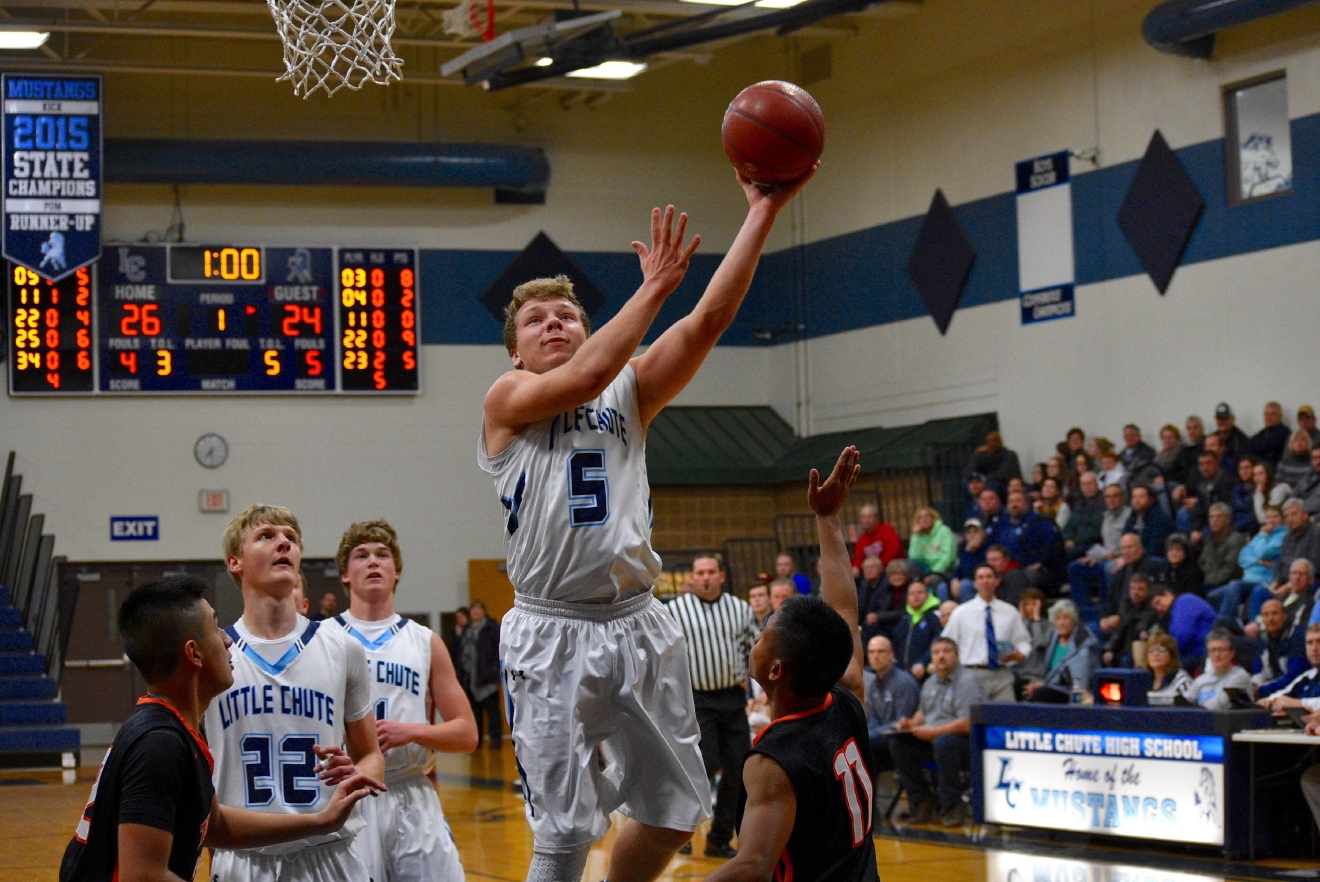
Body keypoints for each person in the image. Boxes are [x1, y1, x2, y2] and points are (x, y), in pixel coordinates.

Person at [480, 174, 813, 882]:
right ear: (515, 351)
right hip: (551, 632)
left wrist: (761, 213)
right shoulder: (509, 398)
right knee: (566, 833)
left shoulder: (629, 389)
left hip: (636, 622)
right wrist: (655, 287)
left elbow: (711, 320)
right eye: (536, 320)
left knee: (672, 812)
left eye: (565, 316)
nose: (553, 325)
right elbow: (585, 374)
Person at [59, 576, 383, 882]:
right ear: (193, 653)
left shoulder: (175, 730)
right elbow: (142, 876)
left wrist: (320, 821)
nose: (228, 639)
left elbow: (216, 824)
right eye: (215, 628)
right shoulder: (160, 746)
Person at [709, 446, 878, 882]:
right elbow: (842, 608)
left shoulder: (774, 761)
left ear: (777, 670)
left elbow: (753, 865)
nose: (758, 636)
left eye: (765, 634)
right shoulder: (846, 697)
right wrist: (827, 518)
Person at [204, 505, 387, 882]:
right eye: (267, 536)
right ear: (234, 562)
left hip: (329, 854)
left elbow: (370, 754)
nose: (284, 542)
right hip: (245, 859)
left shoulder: (344, 648)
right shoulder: (213, 655)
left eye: (291, 537)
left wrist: (358, 773)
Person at [333, 520, 478, 882]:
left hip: (411, 792)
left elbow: (466, 733)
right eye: (361, 555)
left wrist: (411, 731)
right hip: (350, 795)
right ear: (345, 574)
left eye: (383, 555)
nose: (373, 562)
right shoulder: (325, 638)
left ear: (396, 572)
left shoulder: (424, 641)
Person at [667, 554, 758, 859]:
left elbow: (752, 650)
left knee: (738, 769)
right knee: (703, 765)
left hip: (732, 697)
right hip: (697, 700)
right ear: (691, 578)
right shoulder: (675, 611)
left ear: (721, 575)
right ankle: (683, 832)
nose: (705, 577)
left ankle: (719, 839)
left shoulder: (741, 609)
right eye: (699, 573)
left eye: (711, 572)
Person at [889, 638, 986, 826]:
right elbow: (923, 713)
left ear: (956, 656)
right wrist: (910, 723)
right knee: (898, 744)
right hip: (934, 739)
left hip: (965, 743)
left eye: (946, 651)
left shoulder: (967, 681)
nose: (941, 656)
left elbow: (967, 723)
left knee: (944, 743)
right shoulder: (930, 682)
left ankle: (953, 803)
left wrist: (933, 732)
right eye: (936, 652)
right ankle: (922, 799)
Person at [940, 563, 1031, 701]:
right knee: (972, 720)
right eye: (981, 577)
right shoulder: (961, 612)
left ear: (997, 581)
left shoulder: (1010, 611)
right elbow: (947, 642)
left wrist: (1020, 654)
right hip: (971, 674)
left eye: (989, 577)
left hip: (1002, 675)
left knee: (1005, 720)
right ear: (975, 583)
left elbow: (1023, 641)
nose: (985, 581)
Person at [1207, 505, 1285, 620]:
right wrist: (1259, 560)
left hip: (1265, 581)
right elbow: (1243, 557)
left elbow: (1264, 552)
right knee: (1212, 596)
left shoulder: (1282, 536)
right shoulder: (1260, 535)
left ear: (1282, 519)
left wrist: (1263, 537)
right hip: (1248, 579)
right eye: (1268, 517)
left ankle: (1223, 625)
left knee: (1234, 585)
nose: (1271, 520)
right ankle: (1229, 624)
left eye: (1275, 517)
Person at [1021, 600, 1098, 702]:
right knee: (1022, 688)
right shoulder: (1053, 641)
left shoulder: (1082, 648)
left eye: (1066, 618)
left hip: (1072, 692)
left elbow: (1079, 684)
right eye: (1058, 619)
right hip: (1049, 685)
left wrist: (1043, 685)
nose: (1062, 623)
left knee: (1041, 694)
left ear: (1073, 620)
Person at [864, 635, 920, 773]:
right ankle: (866, 794)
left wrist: (869, 736)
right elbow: (873, 720)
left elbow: (901, 723)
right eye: (871, 652)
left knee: (864, 745)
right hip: (880, 739)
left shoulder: (904, 682)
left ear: (891, 655)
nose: (875, 656)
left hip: (902, 741)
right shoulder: (873, 684)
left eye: (880, 651)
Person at [1098, 533, 1164, 635]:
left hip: (1139, 622)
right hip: (1117, 620)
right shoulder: (1120, 573)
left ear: (1140, 548)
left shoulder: (1151, 568)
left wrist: (1121, 618)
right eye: (1123, 548)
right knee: (1093, 628)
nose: (1126, 551)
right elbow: (1110, 602)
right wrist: (1104, 619)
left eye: (1130, 547)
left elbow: (1150, 604)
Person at [461, 601, 502, 749]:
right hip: (471, 677)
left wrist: (494, 667)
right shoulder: (466, 630)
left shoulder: (492, 628)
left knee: (493, 712)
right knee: (474, 713)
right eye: (473, 610)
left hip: (487, 676)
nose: (475, 613)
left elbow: (500, 647)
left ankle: (496, 740)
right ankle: (476, 742)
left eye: (478, 610)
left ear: (484, 612)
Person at [1149, 585, 1218, 673]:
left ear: (1168, 594)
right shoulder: (1174, 611)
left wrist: (1168, 653)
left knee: (1165, 666)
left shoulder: (1184, 601)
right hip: (1193, 652)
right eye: (1155, 608)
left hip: (1202, 651)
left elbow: (1183, 636)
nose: (1159, 608)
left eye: (1158, 602)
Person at [1101, 572, 1159, 667]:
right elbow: (1119, 631)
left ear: (1148, 591)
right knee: (1105, 656)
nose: (1136, 592)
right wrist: (1109, 649)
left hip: (1143, 649)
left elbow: (1142, 632)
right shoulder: (1126, 605)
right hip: (1124, 648)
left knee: (1127, 660)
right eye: (1133, 589)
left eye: (1140, 589)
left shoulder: (1153, 608)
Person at [1187, 629, 1253, 709]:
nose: (1217, 655)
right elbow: (1186, 704)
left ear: (1232, 653)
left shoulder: (1239, 676)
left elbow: (1217, 706)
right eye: (1213, 650)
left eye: (1221, 650)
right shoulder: (1201, 680)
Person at [1250, 598, 1307, 691]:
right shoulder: (1264, 638)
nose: (1270, 619)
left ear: (1285, 616)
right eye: (1266, 615)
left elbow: (1294, 677)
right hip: (1272, 690)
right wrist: (1253, 686)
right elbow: (1258, 671)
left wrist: (1260, 691)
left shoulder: (1298, 637)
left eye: (1275, 613)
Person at [1258, 624, 1320, 709]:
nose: (1314, 648)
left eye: (1319, 642)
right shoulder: (1307, 677)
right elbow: (1282, 694)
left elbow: (1294, 703)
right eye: (1310, 643)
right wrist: (1269, 701)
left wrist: (1299, 703)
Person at [892, 580, 942, 681]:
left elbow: (937, 642)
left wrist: (923, 662)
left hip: (925, 674)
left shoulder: (934, 617)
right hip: (902, 674)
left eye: (920, 592)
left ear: (928, 595)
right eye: (912, 593)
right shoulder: (904, 619)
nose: (916, 596)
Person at [1199, 503, 1247, 591]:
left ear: (1228, 520)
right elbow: (1202, 563)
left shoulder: (1235, 540)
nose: (1214, 520)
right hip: (1208, 582)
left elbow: (1230, 571)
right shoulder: (1209, 539)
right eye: (1212, 517)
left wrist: (1206, 581)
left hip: (1227, 585)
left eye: (1218, 517)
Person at [907, 506, 956, 590]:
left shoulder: (944, 531)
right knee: (910, 565)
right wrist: (915, 536)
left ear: (933, 518)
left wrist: (933, 573)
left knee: (934, 579)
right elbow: (914, 557)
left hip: (944, 569)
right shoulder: (919, 536)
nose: (924, 519)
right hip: (926, 568)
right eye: (920, 517)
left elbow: (947, 558)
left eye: (927, 516)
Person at [851, 504, 903, 577]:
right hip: (872, 572)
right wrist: (856, 567)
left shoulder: (887, 530)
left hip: (891, 568)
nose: (867, 520)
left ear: (876, 518)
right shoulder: (861, 539)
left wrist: (879, 565)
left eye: (870, 516)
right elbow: (858, 558)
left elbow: (894, 550)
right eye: (864, 517)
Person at [1062, 472, 1104, 559]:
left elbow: (1095, 529)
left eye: (1090, 483)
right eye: (1084, 484)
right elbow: (1071, 523)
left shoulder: (1103, 502)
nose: (1087, 487)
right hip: (1075, 542)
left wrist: (1075, 541)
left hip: (1093, 543)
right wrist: (1068, 538)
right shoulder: (1080, 502)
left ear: (1097, 484)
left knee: (1066, 554)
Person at [1124, 485, 1174, 557]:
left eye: (1141, 497)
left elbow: (1157, 547)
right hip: (1135, 558)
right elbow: (1125, 538)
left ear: (1150, 500)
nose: (1137, 501)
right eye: (1134, 497)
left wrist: (1136, 556)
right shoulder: (1132, 518)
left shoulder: (1159, 518)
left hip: (1156, 559)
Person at [1144, 632, 1193, 706]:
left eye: (1161, 649)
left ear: (1171, 654)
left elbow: (1189, 712)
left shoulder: (1182, 681)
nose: (1155, 654)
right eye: (1151, 650)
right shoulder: (1144, 680)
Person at [949, 518, 988, 602]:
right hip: (965, 582)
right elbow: (958, 569)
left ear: (982, 534)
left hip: (980, 582)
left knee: (965, 584)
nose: (972, 535)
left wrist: (969, 552)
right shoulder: (963, 549)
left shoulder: (987, 549)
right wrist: (954, 579)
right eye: (969, 532)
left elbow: (971, 572)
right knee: (943, 587)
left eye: (975, 532)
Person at [1249, 401, 1290, 467]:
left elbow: (1266, 446)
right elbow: (1249, 446)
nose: (1269, 417)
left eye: (1272, 414)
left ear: (1280, 416)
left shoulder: (1285, 433)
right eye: (1266, 414)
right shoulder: (1262, 433)